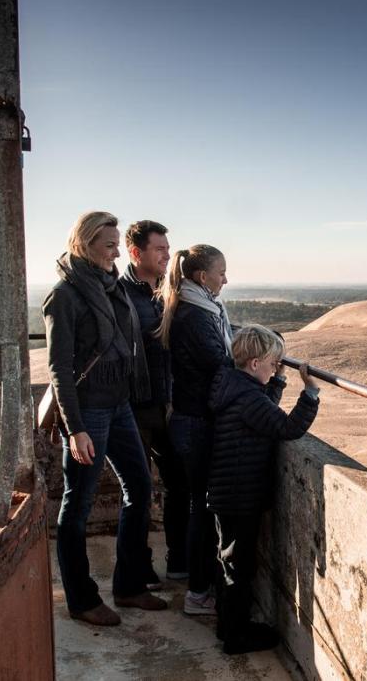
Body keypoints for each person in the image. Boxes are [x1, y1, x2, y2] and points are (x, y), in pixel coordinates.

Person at [43, 211, 167, 627]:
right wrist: (75, 428)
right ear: (85, 243)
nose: (118, 252)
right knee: (77, 505)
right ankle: (81, 599)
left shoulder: (112, 287)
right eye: (110, 244)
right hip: (89, 411)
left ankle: (129, 586)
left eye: (118, 243)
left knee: (141, 484)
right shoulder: (65, 296)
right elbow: (59, 368)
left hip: (119, 405)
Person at [207, 324, 319, 654]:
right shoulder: (248, 398)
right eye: (273, 364)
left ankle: (227, 626)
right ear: (255, 364)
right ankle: (236, 637)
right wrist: (310, 392)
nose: (275, 368)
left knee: (228, 560)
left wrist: (279, 379)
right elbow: (287, 427)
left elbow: (262, 409)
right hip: (240, 495)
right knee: (239, 568)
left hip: (227, 492)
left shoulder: (234, 386)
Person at [157, 244, 233, 615]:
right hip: (197, 425)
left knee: (198, 505)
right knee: (204, 509)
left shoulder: (194, 308)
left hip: (189, 421)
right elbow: (221, 365)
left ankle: (194, 583)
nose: (226, 279)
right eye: (221, 272)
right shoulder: (197, 316)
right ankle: (198, 594)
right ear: (203, 277)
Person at [121, 220, 189, 586]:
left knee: (180, 484)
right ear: (137, 253)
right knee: (138, 490)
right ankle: (139, 568)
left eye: (167, 247)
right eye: (159, 249)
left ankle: (178, 560)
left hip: (170, 405)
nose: (167, 254)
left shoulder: (169, 291)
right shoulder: (119, 293)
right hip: (135, 408)